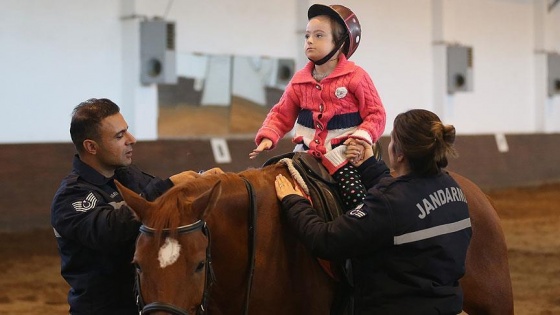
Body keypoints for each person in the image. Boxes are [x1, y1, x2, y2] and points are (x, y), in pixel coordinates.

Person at [275, 109, 472, 314]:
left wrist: (294, 201)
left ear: (400, 152)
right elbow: (405, 203)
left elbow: (326, 240)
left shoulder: (389, 203)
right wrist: (369, 165)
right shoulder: (452, 188)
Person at [51, 98, 221, 314]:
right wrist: (169, 185)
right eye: (119, 136)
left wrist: (198, 183)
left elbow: (168, 205)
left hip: (144, 305)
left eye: (127, 131)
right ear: (91, 147)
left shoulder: (129, 176)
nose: (132, 140)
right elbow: (108, 230)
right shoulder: (71, 197)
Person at [250, 4, 386, 211]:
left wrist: (360, 138)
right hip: (304, 153)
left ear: (340, 43)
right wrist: (269, 135)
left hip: (341, 153)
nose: (310, 41)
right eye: (307, 36)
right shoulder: (299, 80)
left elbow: (376, 114)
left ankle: (360, 236)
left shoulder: (356, 77)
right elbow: (281, 112)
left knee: (355, 196)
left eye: (319, 35)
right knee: (269, 179)